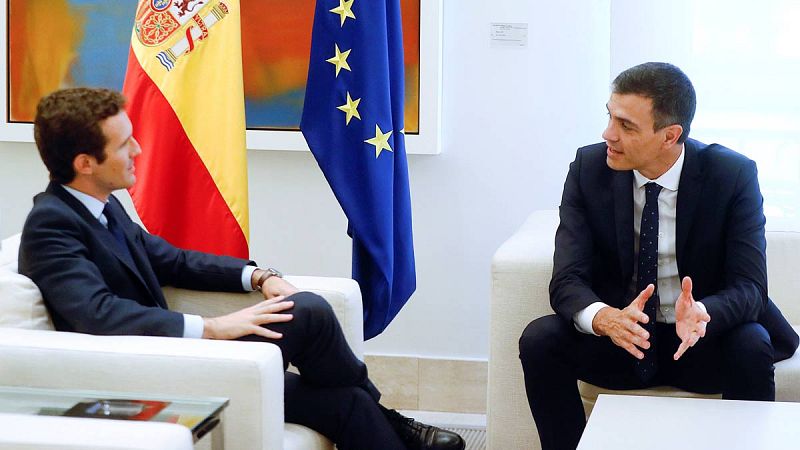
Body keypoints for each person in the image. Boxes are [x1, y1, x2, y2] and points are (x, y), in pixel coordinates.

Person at [19, 87, 465, 450]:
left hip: (175, 357)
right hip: (143, 372)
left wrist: (258, 276)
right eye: (123, 144)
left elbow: (173, 260)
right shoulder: (52, 224)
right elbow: (98, 315)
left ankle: (391, 426)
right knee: (306, 311)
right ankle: (401, 426)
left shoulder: (102, 205)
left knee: (346, 403)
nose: (138, 148)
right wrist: (214, 328)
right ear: (85, 164)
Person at [518, 62, 799, 450]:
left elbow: (751, 286)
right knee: (540, 339)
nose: (608, 135)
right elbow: (567, 279)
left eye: (626, 126)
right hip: (623, 340)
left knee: (751, 343)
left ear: (670, 136)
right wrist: (604, 318)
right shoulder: (588, 169)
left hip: (698, 342)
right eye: (610, 117)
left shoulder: (731, 175)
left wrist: (705, 312)